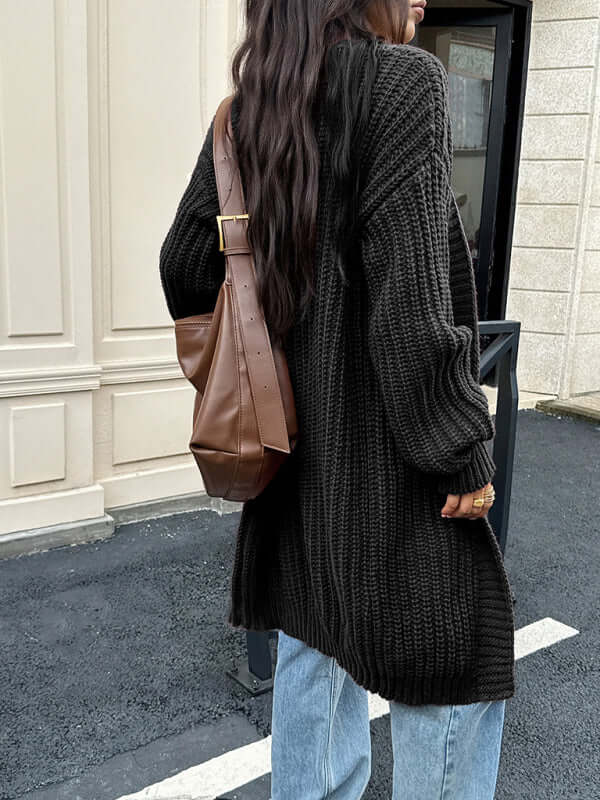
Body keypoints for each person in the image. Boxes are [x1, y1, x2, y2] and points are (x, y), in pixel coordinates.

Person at [159, 1, 516, 797]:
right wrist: (461, 451)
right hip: (398, 468)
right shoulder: (400, 83)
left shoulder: (248, 115)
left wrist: (274, 358)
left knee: (313, 644)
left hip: (294, 468)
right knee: (456, 661)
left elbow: (185, 265)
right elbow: (413, 312)